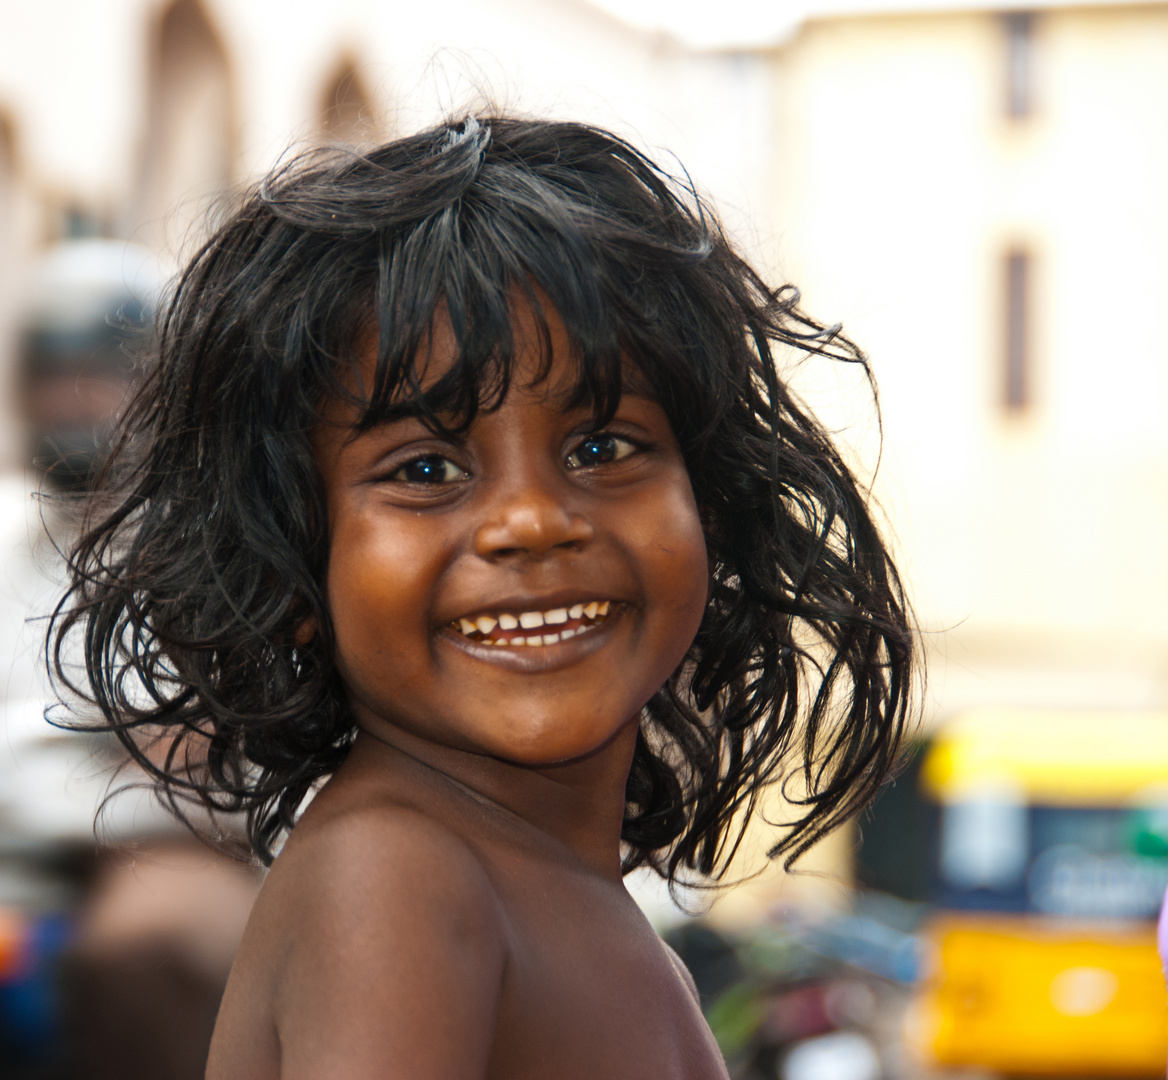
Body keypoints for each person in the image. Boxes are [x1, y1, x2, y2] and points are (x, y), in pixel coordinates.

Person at [48, 116, 915, 1078]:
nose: (533, 521)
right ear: (290, 562)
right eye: (425, 468)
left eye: (603, 447)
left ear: (710, 508)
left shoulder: (567, 904)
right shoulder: (396, 883)